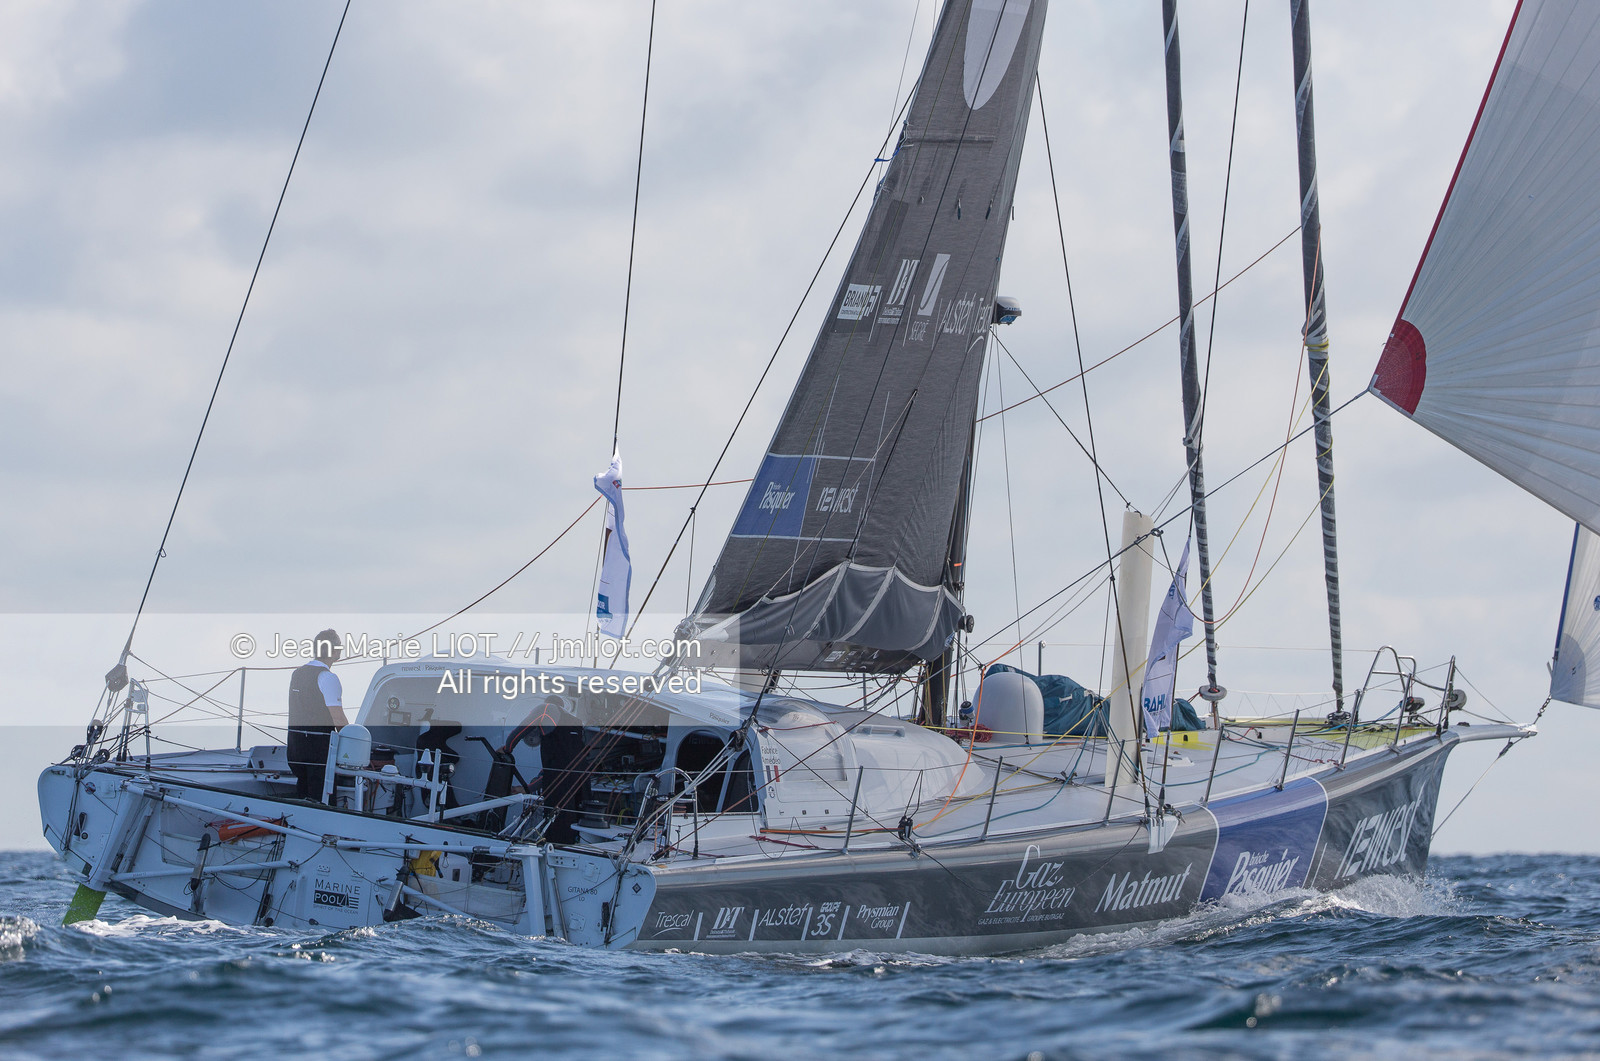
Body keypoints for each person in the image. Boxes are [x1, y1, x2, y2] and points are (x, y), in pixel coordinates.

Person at [287, 629, 348, 801]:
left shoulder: (297, 673)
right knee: (322, 801)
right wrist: (354, 744)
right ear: (335, 652)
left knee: (303, 797)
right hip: (318, 754)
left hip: (295, 750)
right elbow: (338, 719)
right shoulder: (328, 677)